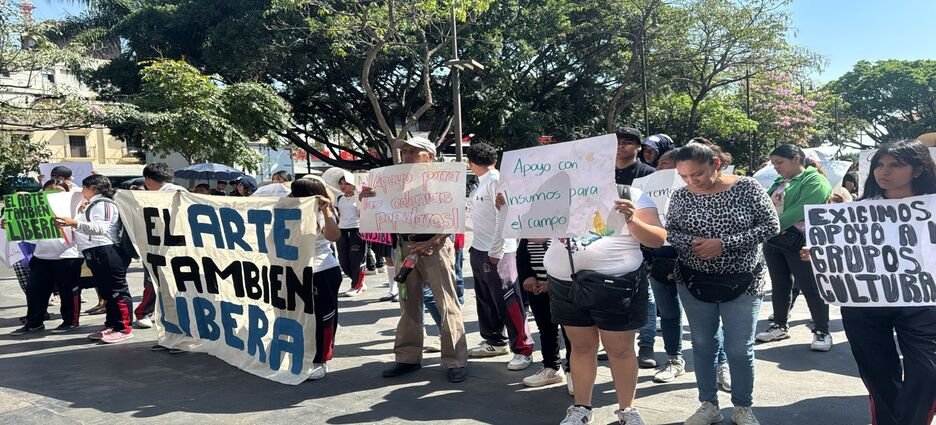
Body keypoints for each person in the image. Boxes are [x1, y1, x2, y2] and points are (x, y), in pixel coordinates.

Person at [816, 139, 935, 425]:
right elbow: (842, 254)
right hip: (865, 303)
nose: (884, 171)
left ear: (918, 171)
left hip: (924, 303)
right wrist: (819, 253)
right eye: (880, 164)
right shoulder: (857, 212)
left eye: (896, 165)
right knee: (878, 375)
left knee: (928, 373)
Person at [666, 143, 779, 425]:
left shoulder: (748, 187)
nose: (692, 182)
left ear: (716, 164)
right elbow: (671, 231)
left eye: (698, 174)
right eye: (684, 177)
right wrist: (692, 244)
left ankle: (742, 406)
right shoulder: (680, 196)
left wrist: (724, 244)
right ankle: (708, 405)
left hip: (744, 280)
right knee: (703, 344)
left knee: (740, 348)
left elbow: (770, 226)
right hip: (694, 280)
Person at [546, 178, 664, 425]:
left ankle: (627, 410)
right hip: (566, 284)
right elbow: (535, 236)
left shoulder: (630, 194)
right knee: (580, 347)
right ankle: (581, 407)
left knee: (620, 350)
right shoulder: (556, 195)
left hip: (617, 286)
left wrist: (632, 219)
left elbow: (656, 239)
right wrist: (510, 210)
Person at [362, 136, 468, 383]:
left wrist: (432, 242)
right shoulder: (393, 182)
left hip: (436, 247)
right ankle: (407, 357)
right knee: (407, 304)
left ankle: (456, 360)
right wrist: (368, 199)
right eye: (405, 151)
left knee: (446, 303)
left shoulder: (444, 179)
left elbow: (454, 215)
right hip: (405, 246)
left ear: (429, 156)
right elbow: (381, 212)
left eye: (413, 151)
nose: (406, 155)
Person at [755, 144, 833, 351]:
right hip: (775, 241)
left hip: (800, 240)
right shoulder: (780, 181)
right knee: (780, 284)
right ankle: (779, 325)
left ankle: (822, 330)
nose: (775, 167)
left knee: (810, 287)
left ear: (797, 158)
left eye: (779, 162)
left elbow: (800, 210)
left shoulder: (815, 180)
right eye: (773, 163)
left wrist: (767, 228)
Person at [464, 142, 535, 370]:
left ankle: (523, 349)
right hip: (479, 247)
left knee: (508, 300)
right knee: (486, 299)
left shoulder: (496, 181)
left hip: (499, 252)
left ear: (471, 163)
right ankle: (494, 340)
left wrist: (496, 251)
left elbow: (503, 218)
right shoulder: (481, 184)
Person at [55, 175, 135, 344]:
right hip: (94, 252)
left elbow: (100, 228)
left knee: (117, 291)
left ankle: (124, 328)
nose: (82, 191)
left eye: (84, 188)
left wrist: (74, 223)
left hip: (106, 250)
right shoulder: (91, 204)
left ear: (94, 188)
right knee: (107, 292)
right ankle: (112, 324)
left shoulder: (104, 203)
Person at [10, 179, 83, 335]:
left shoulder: (76, 207)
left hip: (67, 255)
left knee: (68, 291)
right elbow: (27, 233)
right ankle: (34, 322)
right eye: (50, 191)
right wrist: (10, 224)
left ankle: (70, 321)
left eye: (59, 191)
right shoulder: (34, 208)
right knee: (35, 291)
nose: (54, 194)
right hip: (41, 255)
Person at [614, 127, 658, 369]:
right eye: (618, 142)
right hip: (607, 244)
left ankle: (646, 345)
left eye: (628, 142)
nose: (622, 146)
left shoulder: (649, 175)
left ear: (639, 147)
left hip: (643, 245)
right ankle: (615, 345)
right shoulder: (599, 174)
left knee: (646, 297)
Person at [290, 177, 343, 380]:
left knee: (323, 317)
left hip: (322, 270)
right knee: (301, 315)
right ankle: (303, 353)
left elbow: (333, 236)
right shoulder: (288, 210)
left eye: (299, 194)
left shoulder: (322, 212)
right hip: (296, 269)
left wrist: (326, 211)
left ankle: (321, 359)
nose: (295, 197)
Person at [134, 163, 187, 333]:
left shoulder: (171, 194)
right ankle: (172, 332)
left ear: (148, 179)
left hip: (166, 251)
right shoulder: (181, 192)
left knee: (168, 290)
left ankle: (177, 333)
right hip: (171, 250)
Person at [516, 237, 573, 393]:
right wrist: (527, 276)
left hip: (565, 287)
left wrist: (553, 282)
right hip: (538, 288)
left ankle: (574, 372)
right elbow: (521, 255)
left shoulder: (566, 224)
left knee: (571, 332)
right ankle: (551, 367)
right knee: (546, 329)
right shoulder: (531, 225)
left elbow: (573, 256)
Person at [328, 168, 368, 297]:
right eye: (341, 184)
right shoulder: (339, 198)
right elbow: (338, 214)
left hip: (357, 230)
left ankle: (357, 285)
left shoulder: (359, 196)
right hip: (342, 230)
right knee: (344, 261)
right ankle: (358, 281)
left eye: (346, 183)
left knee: (356, 259)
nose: (343, 186)